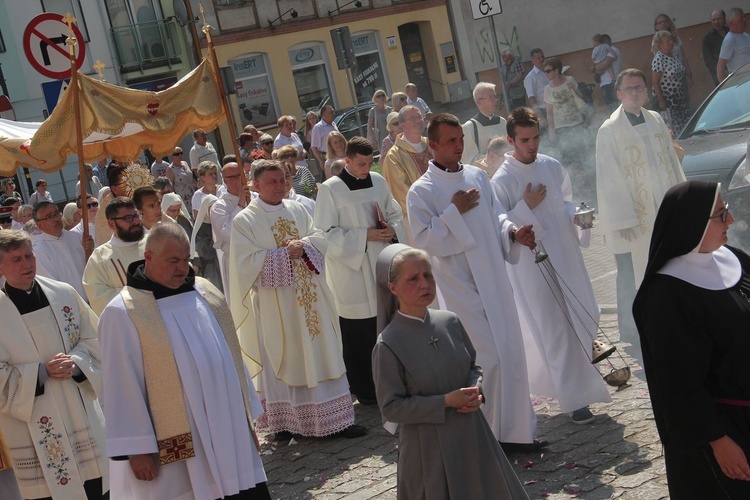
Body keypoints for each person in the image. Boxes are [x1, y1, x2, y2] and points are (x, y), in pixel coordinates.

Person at [98, 223, 270, 499]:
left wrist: (246, 419)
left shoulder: (205, 292)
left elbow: (231, 358)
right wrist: (136, 448)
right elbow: (120, 386)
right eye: (173, 261)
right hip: (178, 441)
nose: (182, 268)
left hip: (227, 424)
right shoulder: (123, 312)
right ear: (149, 257)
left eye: (186, 259)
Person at [406, 113, 541, 449]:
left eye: (461, 139)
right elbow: (423, 240)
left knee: (511, 353)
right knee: (488, 360)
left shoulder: (479, 176)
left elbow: (495, 217)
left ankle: (519, 433)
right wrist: (454, 211)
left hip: (494, 276)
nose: (458, 146)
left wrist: (513, 232)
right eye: (450, 141)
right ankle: (490, 437)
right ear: (432, 145)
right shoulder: (420, 191)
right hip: (460, 285)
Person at [372, 245, 530, 499]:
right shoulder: (388, 344)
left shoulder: (450, 321)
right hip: (428, 450)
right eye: (413, 279)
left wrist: (476, 390)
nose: (424, 284)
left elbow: (473, 367)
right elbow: (391, 408)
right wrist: (445, 402)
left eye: (428, 275)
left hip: (472, 435)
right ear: (393, 289)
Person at [491, 107, 611, 424]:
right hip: (534, 264)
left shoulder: (551, 166)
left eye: (536, 137)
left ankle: (584, 385)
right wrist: (524, 209)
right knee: (555, 328)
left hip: (566, 253)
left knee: (585, 314)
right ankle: (575, 401)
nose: (532, 145)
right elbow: (499, 222)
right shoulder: (502, 179)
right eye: (525, 140)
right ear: (511, 140)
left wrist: (578, 216)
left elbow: (566, 200)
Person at [229, 160, 365, 440]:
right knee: (286, 354)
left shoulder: (299, 208)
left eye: (283, 180)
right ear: (256, 185)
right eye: (272, 182)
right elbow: (244, 264)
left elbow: (319, 236)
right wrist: (281, 255)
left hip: (312, 297)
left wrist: (304, 245)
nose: (280, 186)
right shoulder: (244, 220)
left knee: (322, 349)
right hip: (277, 304)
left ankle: (336, 420)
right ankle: (289, 423)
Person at [633, 180, 750, 498]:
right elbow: (678, 383)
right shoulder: (668, 295)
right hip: (723, 430)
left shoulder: (734, 259)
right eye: (720, 214)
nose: (731, 220)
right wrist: (719, 441)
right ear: (692, 222)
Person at [0, 230, 108, 499]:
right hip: (34, 421)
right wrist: (40, 372)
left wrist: (77, 362)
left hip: (78, 410)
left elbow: (95, 339)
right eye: (16, 259)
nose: (27, 264)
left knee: (96, 488)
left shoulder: (64, 294)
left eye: (29, 255)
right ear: (0, 266)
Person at [595, 68, 685, 348]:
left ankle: (669, 319)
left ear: (646, 91)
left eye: (639, 88)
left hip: (664, 207)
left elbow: (672, 159)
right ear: (619, 93)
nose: (635, 93)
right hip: (633, 217)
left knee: (667, 264)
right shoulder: (609, 130)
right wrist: (623, 218)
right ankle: (631, 330)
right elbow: (608, 176)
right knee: (630, 272)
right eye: (629, 89)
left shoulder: (656, 118)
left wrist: (683, 200)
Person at [314, 136, 405, 405]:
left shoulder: (378, 182)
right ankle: (366, 390)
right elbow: (323, 234)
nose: (367, 169)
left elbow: (395, 213)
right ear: (348, 160)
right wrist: (363, 236)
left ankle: (395, 382)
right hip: (350, 271)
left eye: (370, 163)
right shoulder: (330, 189)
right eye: (361, 163)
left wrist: (392, 229)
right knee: (360, 331)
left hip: (380, 263)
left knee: (387, 323)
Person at [83, 197, 147, 315]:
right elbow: (98, 298)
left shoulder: (155, 242)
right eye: (128, 218)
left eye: (137, 215)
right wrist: (143, 293)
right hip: (131, 324)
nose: (135, 221)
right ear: (112, 224)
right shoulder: (99, 258)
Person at [381, 105, 433, 243]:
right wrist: (429, 209)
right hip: (417, 220)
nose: (418, 121)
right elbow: (402, 194)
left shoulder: (432, 144)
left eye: (419, 117)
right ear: (402, 124)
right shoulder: (394, 157)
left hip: (443, 211)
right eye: (412, 118)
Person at [32, 201, 92, 301]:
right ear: (39, 225)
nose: (55, 219)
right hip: (71, 303)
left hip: (92, 296)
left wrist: (91, 250)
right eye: (49, 217)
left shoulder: (77, 237)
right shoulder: (40, 250)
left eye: (56, 214)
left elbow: (92, 267)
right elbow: (52, 285)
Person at [211, 162, 253, 303]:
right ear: (225, 180)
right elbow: (229, 233)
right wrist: (240, 203)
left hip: (260, 255)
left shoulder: (257, 198)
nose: (242, 179)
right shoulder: (219, 206)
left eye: (242, 175)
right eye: (236, 176)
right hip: (237, 259)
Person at [652, 31, 690, 135]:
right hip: (668, 100)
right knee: (673, 129)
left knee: (684, 125)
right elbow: (655, 82)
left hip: (679, 98)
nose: (671, 42)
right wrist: (661, 101)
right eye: (667, 41)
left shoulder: (673, 56)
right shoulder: (659, 58)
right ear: (660, 45)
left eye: (671, 40)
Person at [461, 82, 508, 164]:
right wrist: (495, 156)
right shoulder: (469, 127)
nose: (495, 101)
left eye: (495, 97)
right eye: (490, 98)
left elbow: (510, 148)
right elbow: (469, 160)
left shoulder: (502, 122)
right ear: (479, 102)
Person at [717, 7, 750, 82]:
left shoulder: (746, 36)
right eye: (741, 18)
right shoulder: (730, 40)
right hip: (742, 83)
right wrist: (726, 89)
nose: (744, 20)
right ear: (732, 22)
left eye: (744, 17)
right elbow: (720, 67)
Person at [703, 10, 729, 86]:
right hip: (721, 77)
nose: (716, 22)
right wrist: (723, 71)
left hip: (737, 71)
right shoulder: (707, 39)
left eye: (719, 19)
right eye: (714, 20)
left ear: (724, 19)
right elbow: (709, 61)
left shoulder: (731, 32)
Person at [523, 48, 548, 124]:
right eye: (538, 58)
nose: (541, 60)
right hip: (543, 110)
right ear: (533, 61)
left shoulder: (548, 72)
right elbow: (531, 98)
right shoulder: (531, 77)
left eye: (542, 57)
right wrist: (540, 116)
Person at [591, 34, 617, 106]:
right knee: (609, 69)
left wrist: (595, 66)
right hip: (605, 82)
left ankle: (598, 76)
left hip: (608, 84)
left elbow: (594, 60)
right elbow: (613, 55)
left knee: (611, 105)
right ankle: (612, 79)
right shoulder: (605, 47)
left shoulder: (595, 50)